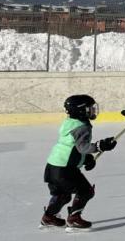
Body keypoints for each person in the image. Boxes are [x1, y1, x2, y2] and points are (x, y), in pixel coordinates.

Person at [40, 94, 118, 230]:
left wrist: (85, 159)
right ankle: (74, 218)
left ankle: (48, 217)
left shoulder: (70, 122)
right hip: (65, 169)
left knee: (62, 195)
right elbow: (82, 147)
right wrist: (100, 146)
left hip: (53, 166)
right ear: (81, 110)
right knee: (86, 191)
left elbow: (71, 147)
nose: (93, 111)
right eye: (89, 108)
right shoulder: (82, 127)